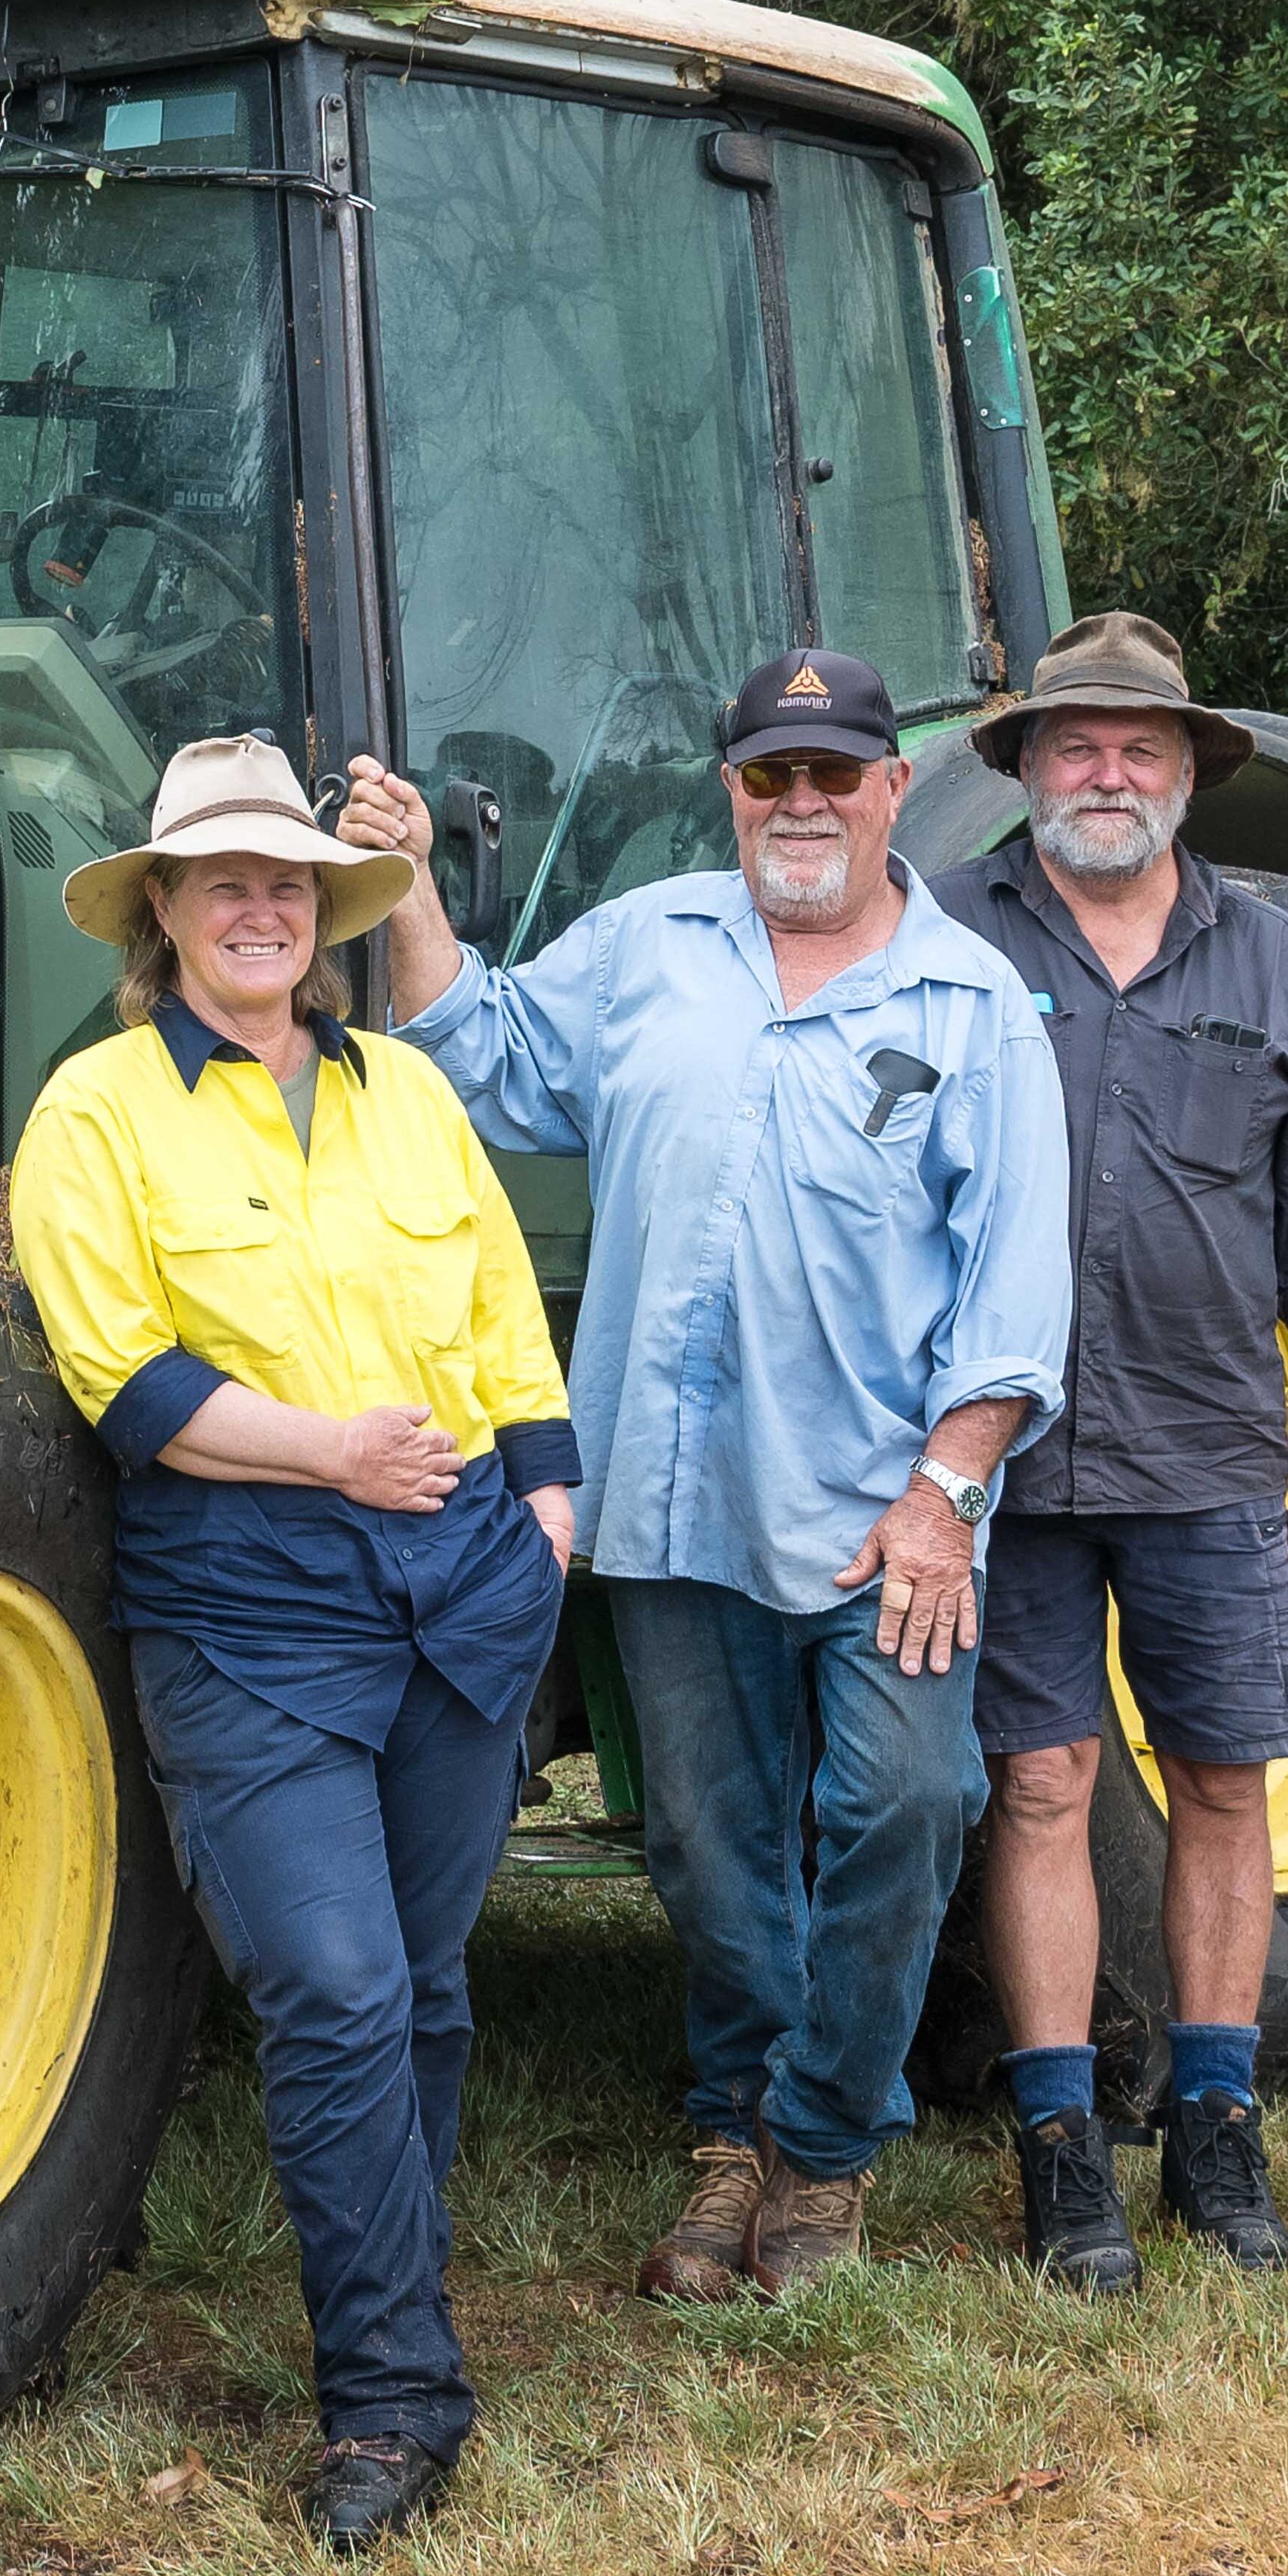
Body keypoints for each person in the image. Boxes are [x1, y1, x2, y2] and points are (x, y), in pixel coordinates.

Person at [339, 647, 1072, 2301]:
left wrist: (944, 1494)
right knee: (703, 1841)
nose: (798, 803)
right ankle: (739, 2130)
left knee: (905, 1802)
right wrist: (397, 892)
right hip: (666, 1502)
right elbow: (484, 1048)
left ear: (896, 787)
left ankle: (821, 2144)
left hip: (877, 1516)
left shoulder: (972, 1008)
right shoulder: (648, 945)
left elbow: (1014, 1294)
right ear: (730, 791)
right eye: (767, 775)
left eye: (832, 774)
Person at [12, 734, 576, 2555]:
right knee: (329, 1986)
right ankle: (394, 2392)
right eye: (219, 881)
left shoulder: (408, 1094)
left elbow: (499, 1312)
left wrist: (548, 1518)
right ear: (161, 909)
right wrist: (330, 1448)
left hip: (462, 1582)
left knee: (420, 1980)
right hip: (249, 1591)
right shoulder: (94, 1109)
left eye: (288, 884)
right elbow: (130, 1380)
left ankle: (394, 2302)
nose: (259, 907)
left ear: (324, 915)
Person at [936, 612, 1288, 2288]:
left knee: (1218, 1779)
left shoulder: (1270, 961)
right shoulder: (950, 933)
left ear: (1187, 771)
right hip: (1013, 1455)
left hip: (1204, 1454)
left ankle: (1214, 2117)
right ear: (1027, 768)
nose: (1105, 770)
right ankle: (1062, 2140)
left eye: (1138, 744)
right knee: (1038, 1782)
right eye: (1074, 743)